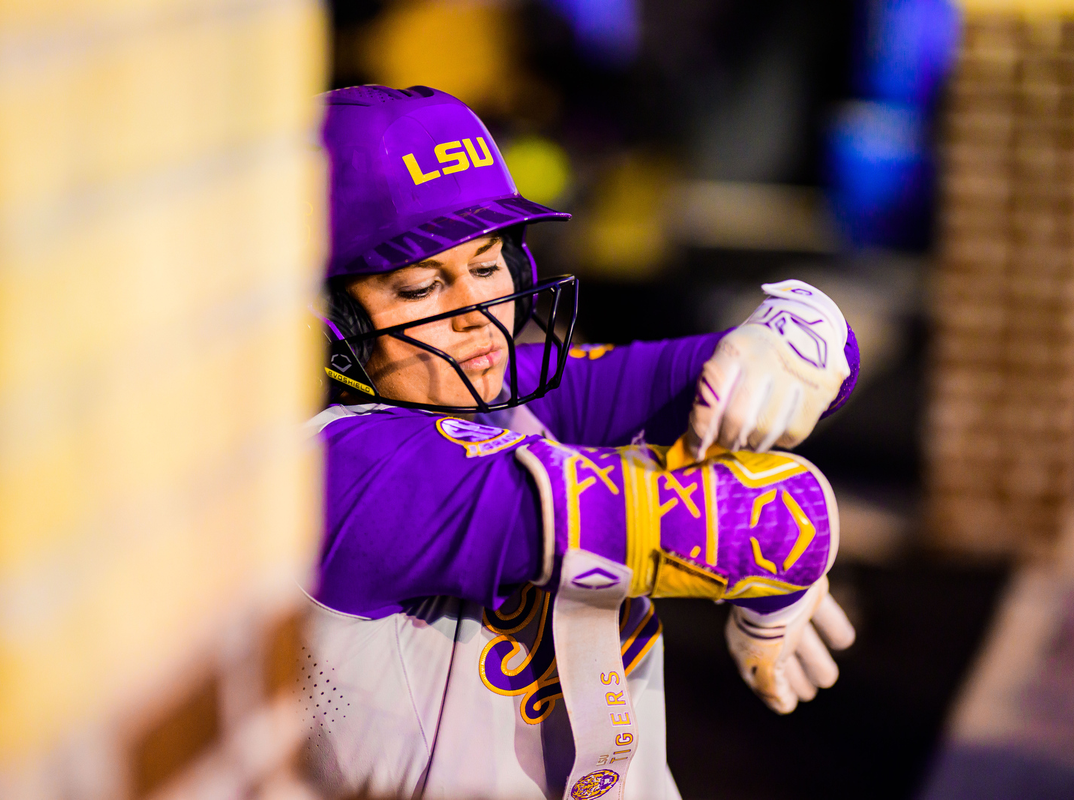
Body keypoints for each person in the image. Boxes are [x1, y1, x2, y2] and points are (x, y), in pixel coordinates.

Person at [304, 85, 858, 800]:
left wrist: (791, 340)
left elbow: (772, 376)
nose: (476, 313)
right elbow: (761, 522)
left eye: (486, 262)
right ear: (327, 316)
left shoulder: (508, 389)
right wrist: (774, 562)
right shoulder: (328, 471)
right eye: (420, 287)